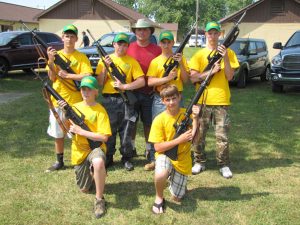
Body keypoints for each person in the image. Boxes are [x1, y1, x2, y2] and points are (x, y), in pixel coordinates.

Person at [189, 21, 239, 178]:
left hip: (221, 100)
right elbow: (193, 78)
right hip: (202, 100)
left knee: (222, 135)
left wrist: (224, 58)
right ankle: (199, 161)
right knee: (199, 134)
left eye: (215, 32)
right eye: (209, 33)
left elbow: (230, 76)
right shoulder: (198, 55)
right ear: (206, 35)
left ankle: (223, 164)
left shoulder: (229, 53)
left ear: (219, 34)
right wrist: (210, 72)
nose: (212, 35)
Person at [57, 76, 111, 218]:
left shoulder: (100, 110)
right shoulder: (74, 108)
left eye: (89, 89)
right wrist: (63, 114)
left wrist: (82, 131)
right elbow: (64, 130)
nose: (85, 92)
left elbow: (104, 137)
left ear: (96, 92)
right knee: (85, 189)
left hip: (95, 148)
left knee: (98, 161)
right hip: (79, 151)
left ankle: (99, 199)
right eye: (83, 89)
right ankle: (96, 173)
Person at [46, 24, 93, 172]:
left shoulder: (81, 56)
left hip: (77, 102)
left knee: (78, 132)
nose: (69, 39)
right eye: (67, 36)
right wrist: (51, 60)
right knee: (57, 132)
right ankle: (59, 161)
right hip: (57, 100)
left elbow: (88, 75)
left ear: (76, 39)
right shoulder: (56, 55)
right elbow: (52, 77)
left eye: (72, 36)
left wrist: (69, 75)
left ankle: (81, 159)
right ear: (62, 38)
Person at [96, 32, 145, 171]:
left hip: (126, 100)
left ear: (128, 46)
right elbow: (100, 82)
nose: (121, 47)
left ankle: (126, 158)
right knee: (109, 130)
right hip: (109, 99)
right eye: (119, 44)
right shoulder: (104, 60)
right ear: (113, 44)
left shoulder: (132, 61)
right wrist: (105, 67)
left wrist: (125, 87)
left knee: (126, 130)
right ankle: (109, 157)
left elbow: (141, 81)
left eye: (124, 44)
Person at [148, 85, 200, 214]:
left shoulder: (187, 115)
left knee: (177, 197)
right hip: (164, 155)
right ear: (162, 101)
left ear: (179, 97)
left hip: (182, 159)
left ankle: (173, 178)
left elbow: (195, 139)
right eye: (168, 99)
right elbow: (157, 147)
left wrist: (196, 118)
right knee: (160, 174)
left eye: (174, 98)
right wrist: (179, 140)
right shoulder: (159, 119)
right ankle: (159, 197)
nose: (171, 102)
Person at [146, 30, 189, 170]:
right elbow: (150, 82)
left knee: (179, 126)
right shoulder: (155, 61)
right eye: (163, 42)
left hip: (177, 98)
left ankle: (179, 155)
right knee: (157, 127)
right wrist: (168, 78)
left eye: (168, 42)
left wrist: (180, 63)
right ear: (160, 43)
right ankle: (154, 158)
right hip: (160, 99)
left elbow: (186, 80)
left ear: (172, 43)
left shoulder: (180, 58)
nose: (166, 45)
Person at [127, 18, 161, 166]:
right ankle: (132, 148)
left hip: (150, 93)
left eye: (145, 29)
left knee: (149, 123)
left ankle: (149, 150)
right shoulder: (128, 47)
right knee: (132, 122)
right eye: (139, 29)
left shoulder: (157, 49)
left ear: (150, 32)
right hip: (132, 92)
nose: (142, 32)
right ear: (135, 32)